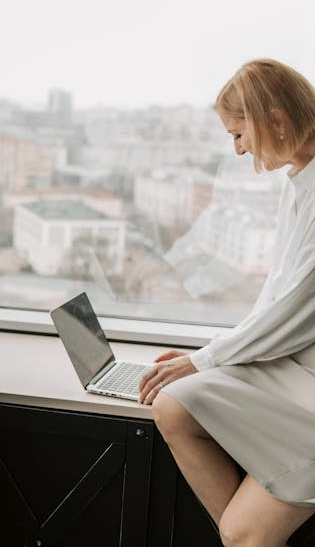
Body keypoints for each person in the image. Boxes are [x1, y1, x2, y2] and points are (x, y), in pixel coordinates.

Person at [139, 58, 315, 547]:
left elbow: (297, 313)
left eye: (240, 134)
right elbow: (277, 295)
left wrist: (207, 360)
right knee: (172, 406)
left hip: (307, 384)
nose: (238, 150)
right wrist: (210, 356)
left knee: (241, 533)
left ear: (276, 120)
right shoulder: (300, 181)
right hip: (292, 368)